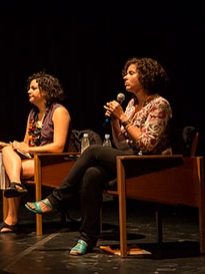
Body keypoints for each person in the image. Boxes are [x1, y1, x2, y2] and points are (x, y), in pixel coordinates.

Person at [25, 57, 172, 255]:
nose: (125, 77)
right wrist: (114, 122)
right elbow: (121, 143)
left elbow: (147, 144)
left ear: (145, 77)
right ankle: (86, 238)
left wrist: (123, 118)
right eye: (125, 73)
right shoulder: (131, 104)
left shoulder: (159, 105)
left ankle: (56, 199)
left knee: (93, 151)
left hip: (150, 163)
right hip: (128, 158)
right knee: (91, 174)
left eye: (131, 73)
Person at [0, 71, 71, 233]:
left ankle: (11, 219)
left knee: (11, 169)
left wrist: (28, 149)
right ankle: (16, 184)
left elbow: (58, 146)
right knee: (7, 150)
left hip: (53, 163)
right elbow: (26, 142)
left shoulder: (59, 112)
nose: (28, 91)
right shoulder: (33, 114)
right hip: (33, 159)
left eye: (33, 88)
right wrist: (10, 145)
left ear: (44, 91)